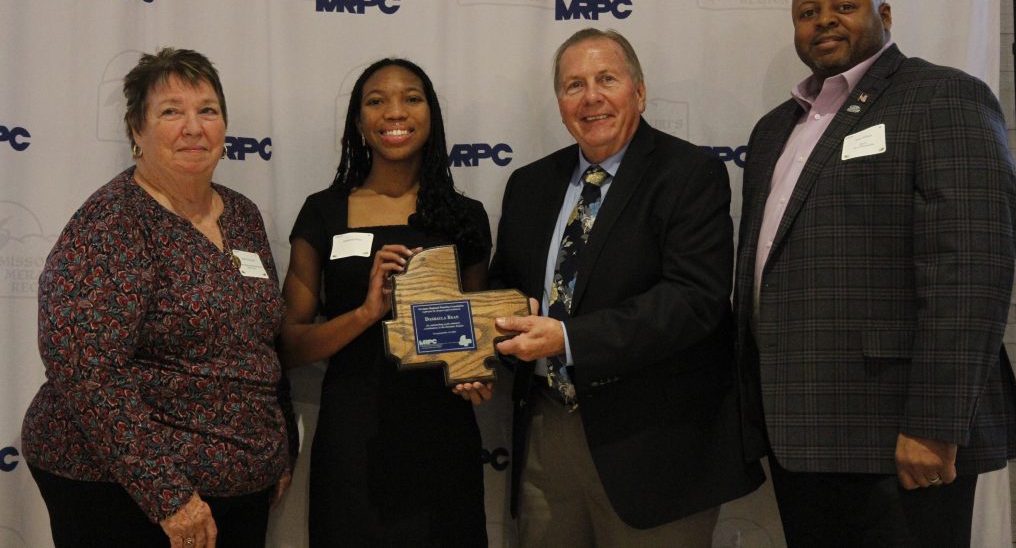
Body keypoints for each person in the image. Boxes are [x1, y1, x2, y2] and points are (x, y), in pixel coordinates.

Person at [734, 0, 1016, 546]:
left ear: (884, 15)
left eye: (844, 6)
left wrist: (935, 425)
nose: (824, 22)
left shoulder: (943, 97)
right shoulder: (773, 130)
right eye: (808, 13)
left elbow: (971, 271)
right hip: (802, 436)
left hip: (901, 439)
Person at [489, 28, 763, 547]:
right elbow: (506, 284)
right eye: (573, 85)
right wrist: (495, 336)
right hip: (548, 437)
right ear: (559, 103)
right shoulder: (529, 184)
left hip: (656, 449)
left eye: (606, 79)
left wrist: (567, 340)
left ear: (638, 91)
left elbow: (693, 301)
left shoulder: (689, 174)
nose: (590, 97)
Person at [21, 48, 294, 548]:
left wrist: (277, 453)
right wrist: (167, 496)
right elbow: (86, 370)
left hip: (236, 487)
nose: (193, 127)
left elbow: (259, 343)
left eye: (207, 110)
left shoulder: (242, 215)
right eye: (171, 111)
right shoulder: (113, 223)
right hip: (123, 493)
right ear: (136, 131)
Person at [280, 58, 492, 547]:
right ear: (358, 121)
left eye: (411, 98)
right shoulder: (323, 212)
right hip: (354, 437)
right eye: (376, 101)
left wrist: (480, 373)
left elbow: (476, 340)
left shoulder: (466, 217)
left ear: (431, 114)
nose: (395, 112)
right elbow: (289, 346)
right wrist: (365, 314)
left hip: (443, 439)